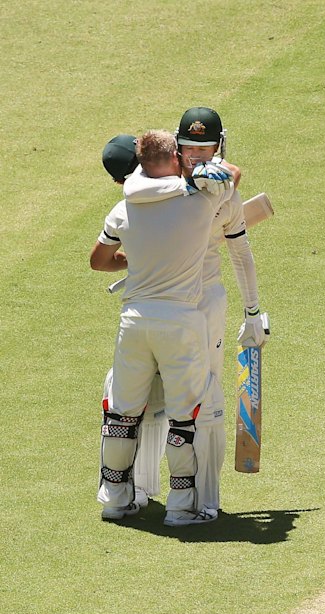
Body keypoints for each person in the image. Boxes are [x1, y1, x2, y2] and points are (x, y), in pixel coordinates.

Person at [106, 107, 269, 512]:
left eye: (206, 148)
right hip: (172, 305)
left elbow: (240, 252)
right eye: (191, 149)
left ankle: (196, 499)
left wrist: (252, 312)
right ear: (177, 151)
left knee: (192, 399)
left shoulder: (190, 187)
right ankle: (155, 495)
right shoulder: (184, 187)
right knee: (164, 400)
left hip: (192, 302)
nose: (199, 156)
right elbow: (135, 190)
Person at [91, 129, 234, 525]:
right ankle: (180, 507)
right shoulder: (201, 202)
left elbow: (99, 261)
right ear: (175, 158)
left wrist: (138, 263)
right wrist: (204, 167)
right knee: (184, 415)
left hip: (134, 321)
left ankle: (116, 500)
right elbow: (233, 176)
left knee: (123, 412)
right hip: (181, 322)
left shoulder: (122, 210)